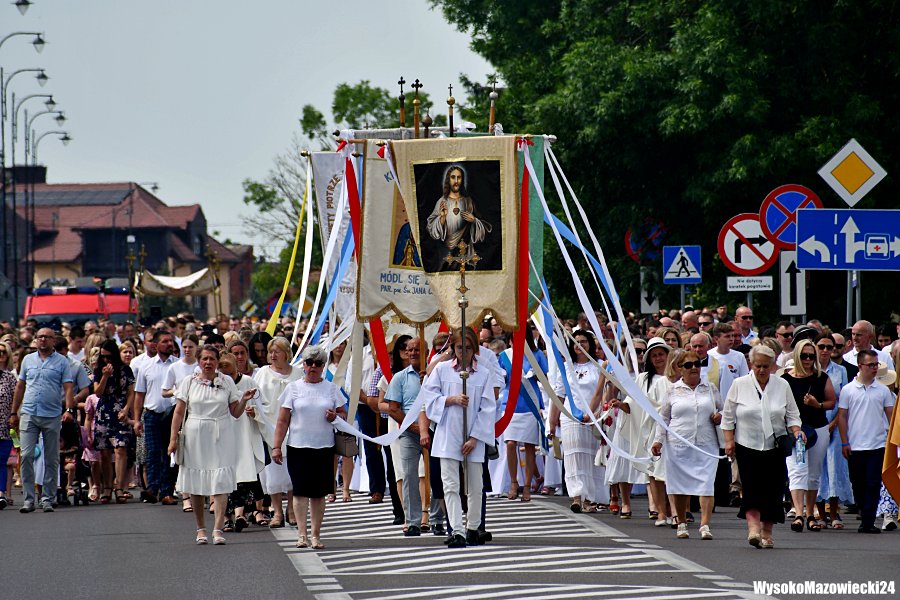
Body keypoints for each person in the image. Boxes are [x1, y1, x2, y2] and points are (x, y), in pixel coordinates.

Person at [167, 346, 256, 545]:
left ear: (217, 361)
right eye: (205, 359)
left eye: (212, 359)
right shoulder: (189, 382)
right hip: (195, 435)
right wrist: (173, 440)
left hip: (221, 434)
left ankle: (217, 529)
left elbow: (235, 412)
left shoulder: (227, 381)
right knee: (196, 484)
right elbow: (179, 412)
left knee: (221, 482)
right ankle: (201, 529)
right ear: (199, 361)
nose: (208, 362)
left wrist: (244, 399)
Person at [422, 328, 497, 548]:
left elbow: (488, 408)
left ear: (474, 349)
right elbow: (429, 397)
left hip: (474, 435)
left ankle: (473, 527)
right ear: (453, 348)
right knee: (450, 484)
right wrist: (450, 400)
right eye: (459, 347)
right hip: (448, 432)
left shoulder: (484, 373)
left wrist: (475, 438)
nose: (464, 352)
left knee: (475, 485)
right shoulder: (442, 370)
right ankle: (456, 530)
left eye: (468, 348)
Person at [722, 345, 802, 549]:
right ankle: (753, 528)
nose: (762, 370)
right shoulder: (739, 384)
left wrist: (796, 431)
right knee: (751, 487)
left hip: (774, 445)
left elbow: (792, 414)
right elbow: (728, 416)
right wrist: (729, 441)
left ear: (773, 365)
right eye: (758, 366)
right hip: (746, 443)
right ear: (751, 364)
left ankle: (767, 532)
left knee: (773, 489)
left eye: (766, 366)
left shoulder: (782, 385)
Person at [272, 345, 345, 550]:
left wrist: (335, 416)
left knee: (319, 493)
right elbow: (282, 421)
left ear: (323, 366)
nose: (313, 367)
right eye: (309, 363)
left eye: (318, 363)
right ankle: (302, 534)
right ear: (303, 365)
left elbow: (343, 414)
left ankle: (315, 535)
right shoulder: (293, 388)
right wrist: (276, 446)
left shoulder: (331, 388)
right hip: (298, 446)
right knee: (300, 491)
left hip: (324, 446)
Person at [652, 351, 722, 540]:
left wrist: (720, 417)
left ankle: (705, 525)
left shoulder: (710, 388)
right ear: (680, 368)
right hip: (678, 444)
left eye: (697, 364)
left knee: (707, 485)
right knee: (679, 486)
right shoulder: (672, 390)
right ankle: (681, 522)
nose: (694, 368)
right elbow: (663, 418)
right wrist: (658, 441)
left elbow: (723, 410)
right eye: (688, 365)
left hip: (706, 443)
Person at [9, 328, 76, 513]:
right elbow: (20, 386)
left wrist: (69, 409)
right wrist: (14, 412)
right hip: (29, 413)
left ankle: (47, 498)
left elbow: (68, 387)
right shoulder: (28, 360)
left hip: (52, 414)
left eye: (47, 337)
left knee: (51, 458)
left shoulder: (62, 361)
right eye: (40, 337)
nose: (43, 340)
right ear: (36, 340)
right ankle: (29, 499)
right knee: (27, 455)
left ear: (54, 340)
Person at [837, 349, 895, 533]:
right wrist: (844, 442)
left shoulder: (883, 390)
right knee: (857, 483)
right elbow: (842, 416)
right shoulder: (848, 390)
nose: (874, 368)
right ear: (860, 366)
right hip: (855, 445)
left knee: (873, 483)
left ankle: (868, 521)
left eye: (876, 364)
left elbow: (891, 415)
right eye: (870, 365)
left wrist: (893, 441)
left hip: (878, 444)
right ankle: (863, 510)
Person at [781, 339, 836, 532]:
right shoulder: (785, 380)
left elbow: (831, 401)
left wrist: (817, 404)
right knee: (796, 469)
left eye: (811, 356)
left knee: (813, 473)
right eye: (804, 356)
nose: (807, 360)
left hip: (818, 429)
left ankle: (811, 513)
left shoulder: (821, 377)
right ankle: (798, 513)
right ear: (797, 356)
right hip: (795, 430)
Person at [548, 330, 604, 513]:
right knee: (573, 456)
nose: (580, 345)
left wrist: (594, 413)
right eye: (576, 341)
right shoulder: (566, 367)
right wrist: (552, 423)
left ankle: (590, 499)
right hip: (570, 416)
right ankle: (577, 496)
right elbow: (559, 396)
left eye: (583, 341)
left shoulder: (599, 366)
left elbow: (601, 393)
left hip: (593, 416)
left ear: (590, 344)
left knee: (591, 457)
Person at [255, 336, 302, 527]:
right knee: (273, 473)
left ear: (286, 353)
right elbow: (255, 397)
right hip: (269, 427)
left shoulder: (298, 373)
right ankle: (277, 511)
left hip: (294, 428)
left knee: (292, 471)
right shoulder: (262, 373)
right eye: (271, 351)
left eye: (277, 351)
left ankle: (291, 509)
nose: (273, 355)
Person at [216, 352, 265, 533]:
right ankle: (227, 518)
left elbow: (262, 405)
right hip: (223, 434)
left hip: (244, 434)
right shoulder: (216, 384)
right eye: (224, 375)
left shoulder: (249, 382)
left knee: (242, 477)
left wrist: (255, 412)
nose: (228, 379)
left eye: (230, 374)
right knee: (224, 476)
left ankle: (239, 514)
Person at [605, 338, 652, 519]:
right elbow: (610, 399)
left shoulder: (651, 374)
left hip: (646, 420)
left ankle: (653, 503)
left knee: (649, 460)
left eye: (643, 351)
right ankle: (625, 502)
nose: (640, 354)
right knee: (624, 460)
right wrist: (610, 383)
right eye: (636, 351)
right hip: (626, 419)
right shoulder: (621, 373)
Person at [498, 332, 546, 503]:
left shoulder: (537, 355)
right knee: (510, 444)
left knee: (529, 446)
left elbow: (546, 377)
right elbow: (500, 378)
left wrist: (536, 372)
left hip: (530, 404)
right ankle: (513, 482)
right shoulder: (505, 356)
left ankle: (527, 485)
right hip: (510, 404)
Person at [131, 329, 178, 505]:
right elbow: (139, 395)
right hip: (152, 415)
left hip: (172, 415)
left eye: (171, 341)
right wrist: (137, 420)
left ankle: (167, 492)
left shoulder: (177, 365)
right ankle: (152, 488)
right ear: (156, 345)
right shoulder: (146, 366)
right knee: (152, 452)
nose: (169, 344)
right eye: (165, 341)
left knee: (169, 453)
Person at [813, 332, 852, 528]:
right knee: (818, 467)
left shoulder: (840, 371)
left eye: (830, 347)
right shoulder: (810, 369)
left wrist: (834, 424)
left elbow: (843, 401)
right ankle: (820, 514)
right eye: (822, 346)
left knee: (835, 466)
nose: (826, 350)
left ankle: (834, 513)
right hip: (815, 423)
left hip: (835, 424)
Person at [91, 340, 135, 504]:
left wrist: (126, 409)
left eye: (108, 357)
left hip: (121, 412)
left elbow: (131, 393)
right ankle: (107, 487)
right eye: (103, 357)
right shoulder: (98, 369)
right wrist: (105, 376)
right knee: (105, 452)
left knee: (121, 449)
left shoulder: (125, 369)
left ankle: (120, 487)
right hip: (104, 412)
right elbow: (98, 393)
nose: (106, 360)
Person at [425, 164, 492, 269]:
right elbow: (431, 229)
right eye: (453, 177)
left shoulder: (468, 202)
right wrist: (442, 218)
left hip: (465, 252)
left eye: (459, 177)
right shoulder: (442, 202)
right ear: (448, 180)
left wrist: (474, 220)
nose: (456, 181)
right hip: (446, 255)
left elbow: (485, 228)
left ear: (462, 180)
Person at [0, 361, 15, 509]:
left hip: (4, 426)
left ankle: (1, 494)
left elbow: (17, 398)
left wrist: (15, 416)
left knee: (2, 461)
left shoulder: (9, 377)